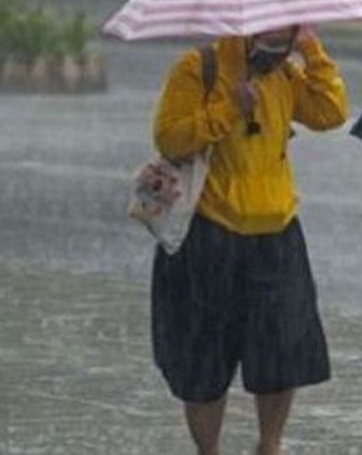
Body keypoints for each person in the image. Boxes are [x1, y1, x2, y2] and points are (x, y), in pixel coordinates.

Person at [149, 25, 348, 455]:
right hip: (210, 232)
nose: (275, 51)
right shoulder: (198, 69)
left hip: (277, 232)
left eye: (286, 40)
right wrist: (227, 108)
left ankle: (270, 444)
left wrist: (313, 53)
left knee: (284, 353)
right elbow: (169, 137)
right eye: (269, 41)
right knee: (203, 357)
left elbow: (331, 112)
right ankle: (209, 448)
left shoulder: (285, 75)